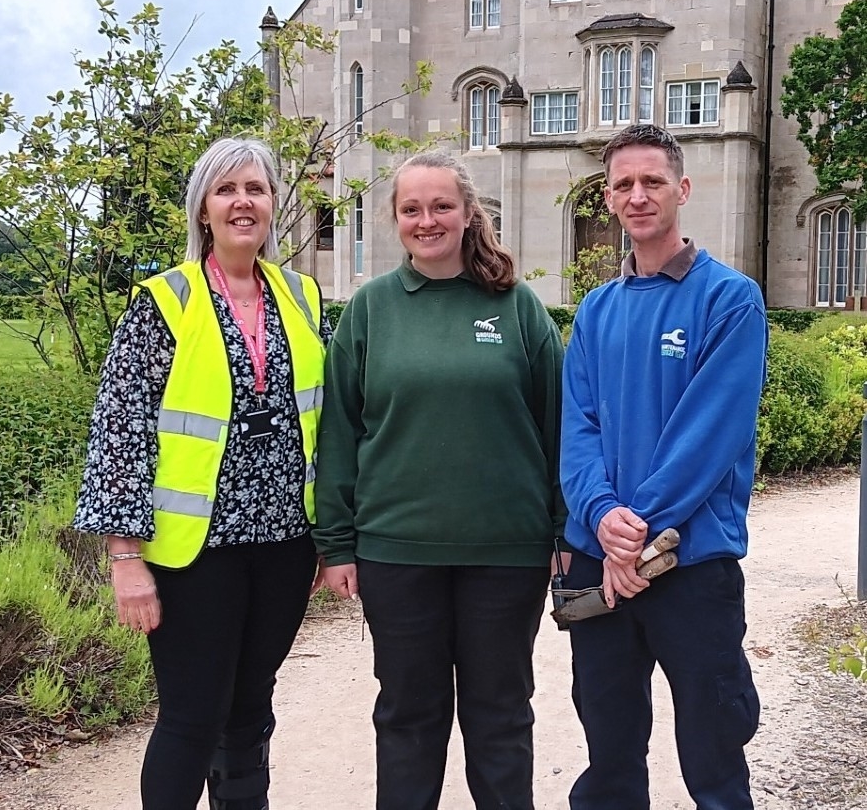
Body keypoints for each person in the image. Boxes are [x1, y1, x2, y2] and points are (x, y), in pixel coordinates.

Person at [73, 136, 330, 810]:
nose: (243, 202)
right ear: (203, 208)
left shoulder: (302, 296)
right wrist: (125, 558)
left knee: (250, 711)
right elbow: (120, 431)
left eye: (256, 189)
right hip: (195, 553)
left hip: (284, 546)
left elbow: (327, 421)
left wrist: (331, 534)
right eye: (226, 190)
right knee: (192, 717)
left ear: (273, 204)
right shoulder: (166, 300)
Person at [312, 150, 565, 810]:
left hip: (507, 553)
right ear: (395, 218)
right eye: (412, 208)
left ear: (468, 212)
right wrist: (336, 543)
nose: (427, 220)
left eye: (441, 205)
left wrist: (564, 530)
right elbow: (339, 432)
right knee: (408, 717)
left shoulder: (517, 308)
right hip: (396, 552)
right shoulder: (370, 310)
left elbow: (559, 426)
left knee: (501, 715)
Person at [559, 123, 768, 809]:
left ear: (683, 189)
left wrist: (636, 531)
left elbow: (710, 434)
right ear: (608, 198)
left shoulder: (729, 299)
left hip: (691, 563)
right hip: (601, 563)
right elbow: (578, 431)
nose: (638, 195)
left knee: (714, 752)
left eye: (652, 181)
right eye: (623, 184)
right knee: (609, 752)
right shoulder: (596, 311)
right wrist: (603, 519)